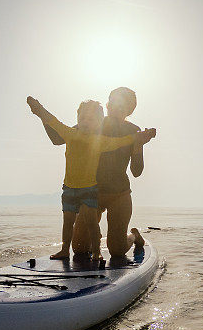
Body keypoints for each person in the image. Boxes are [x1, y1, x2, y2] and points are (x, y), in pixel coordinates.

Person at [27, 96, 155, 261]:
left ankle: (134, 237)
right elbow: (57, 138)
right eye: (115, 104)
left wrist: (138, 145)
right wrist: (41, 114)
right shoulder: (93, 123)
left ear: (130, 111)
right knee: (79, 248)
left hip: (119, 195)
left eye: (125, 107)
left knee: (117, 250)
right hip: (92, 193)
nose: (119, 109)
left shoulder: (133, 131)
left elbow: (137, 171)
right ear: (108, 104)